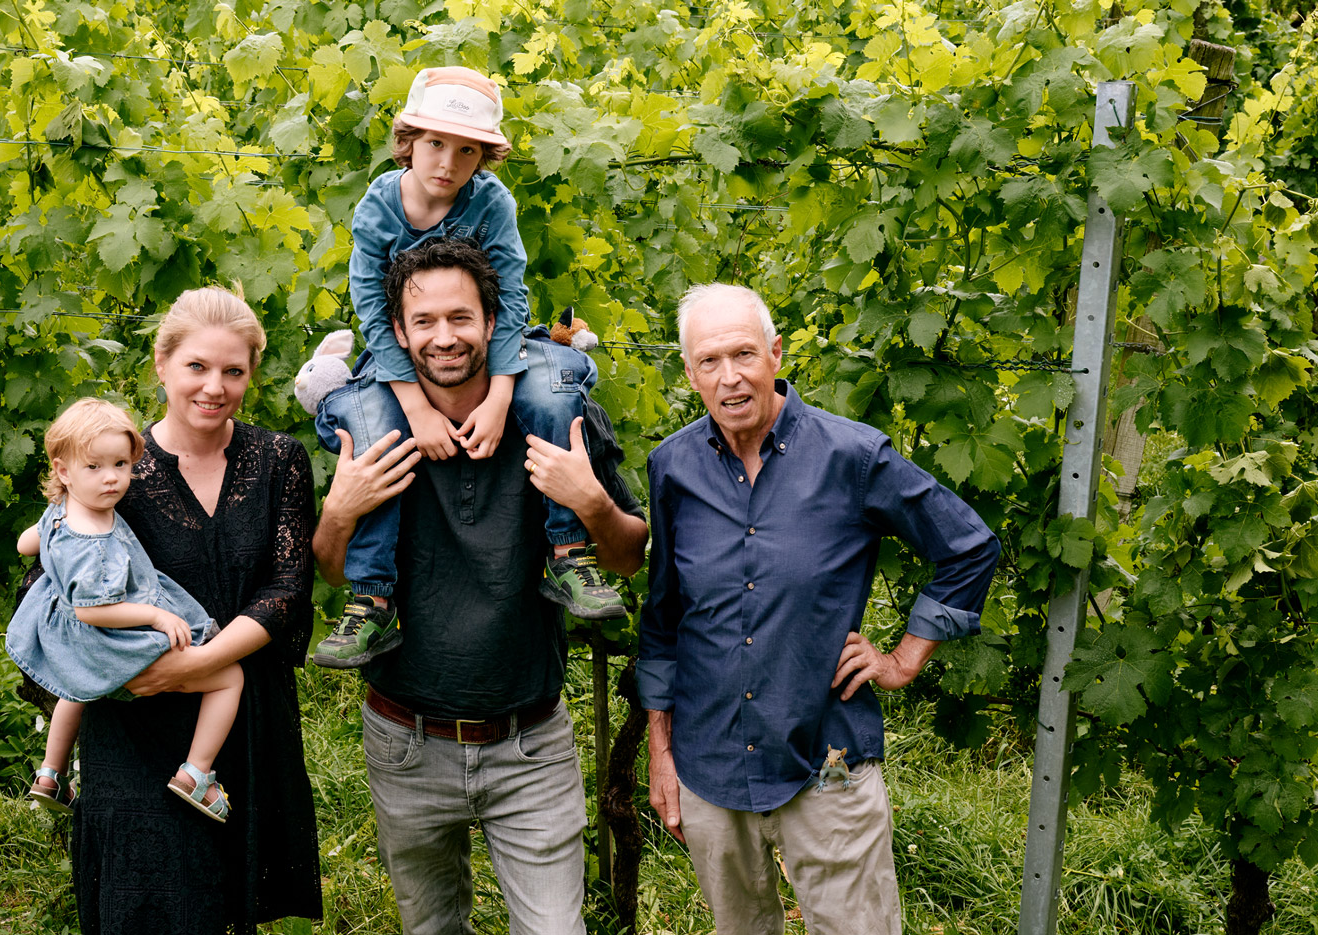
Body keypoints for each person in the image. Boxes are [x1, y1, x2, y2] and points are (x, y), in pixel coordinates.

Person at [639, 283, 1001, 935]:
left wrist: (902, 659)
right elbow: (663, 622)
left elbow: (968, 546)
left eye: (744, 354)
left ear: (775, 354)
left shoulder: (852, 457)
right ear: (690, 374)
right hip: (709, 765)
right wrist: (660, 751)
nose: (729, 377)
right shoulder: (673, 468)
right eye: (710, 361)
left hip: (827, 761)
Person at [312, 238, 648, 934]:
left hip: (530, 742)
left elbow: (626, 557)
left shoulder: (556, 412)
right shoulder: (372, 426)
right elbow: (333, 569)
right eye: (424, 321)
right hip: (405, 738)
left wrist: (590, 501)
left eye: (461, 317)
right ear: (398, 332)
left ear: (493, 323)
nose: (444, 337)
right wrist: (339, 512)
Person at [309, 65, 627, 672]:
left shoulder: (491, 202)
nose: (448, 164)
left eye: (467, 151)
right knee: (372, 430)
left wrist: (502, 395)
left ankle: (569, 554)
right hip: (399, 354)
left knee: (554, 397)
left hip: (497, 344)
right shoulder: (379, 206)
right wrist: (415, 406)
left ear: (483, 156)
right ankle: (372, 598)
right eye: (435, 143)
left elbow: (510, 298)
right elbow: (373, 309)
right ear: (408, 141)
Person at [62, 286, 321, 934]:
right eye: (197, 366)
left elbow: (288, 587)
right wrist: (128, 669)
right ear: (162, 364)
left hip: (242, 713)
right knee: (148, 905)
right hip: (136, 717)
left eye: (234, 370)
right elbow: (55, 587)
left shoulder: (278, 460)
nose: (215, 386)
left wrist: (200, 663)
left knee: (228, 903)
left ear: (251, 374)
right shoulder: (114, 466)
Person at [8, 398, 239, 822]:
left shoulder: (62, 510)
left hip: (70, 642)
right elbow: (93, 612)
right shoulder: (95, 542)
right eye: (94, 467)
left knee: (75, 689)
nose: (111, 477)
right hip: (105, 638)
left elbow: (26, 544)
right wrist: (156, 616)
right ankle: (196, 773)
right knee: (229, 676)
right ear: (63, 471)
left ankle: (51, 773)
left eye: (120, 464)